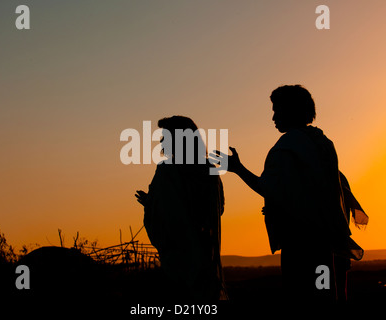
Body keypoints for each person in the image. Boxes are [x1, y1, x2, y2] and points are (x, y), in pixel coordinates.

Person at [211, 85, 364, 304]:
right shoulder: (321, 142)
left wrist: (237, 168)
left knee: (301, 296)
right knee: (324, 295)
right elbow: (312, 193)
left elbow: (268, 188)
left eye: (276, 110)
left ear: (291, 110)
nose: (273, 117)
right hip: (324, 244)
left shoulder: (289, 146)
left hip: (301, 246)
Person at [135, 115, 228, 300]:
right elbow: (219, 208)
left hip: (179, 260)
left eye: (165, 137)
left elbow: (169, 217)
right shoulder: (210, 170)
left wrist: (152, 205)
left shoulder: (167, 170)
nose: (161, 142)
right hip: (206, 255)